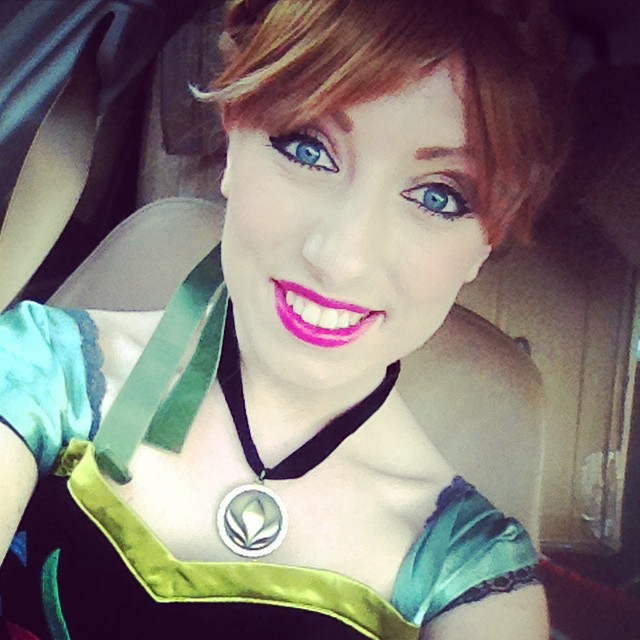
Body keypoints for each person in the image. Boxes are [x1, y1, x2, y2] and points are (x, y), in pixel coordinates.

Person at [0, 0, 570, 638]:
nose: (341, 259)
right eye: (308, 148)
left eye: (438, 196)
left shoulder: (467, 574)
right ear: (232, 137)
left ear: (487, 242)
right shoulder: (35, 374)